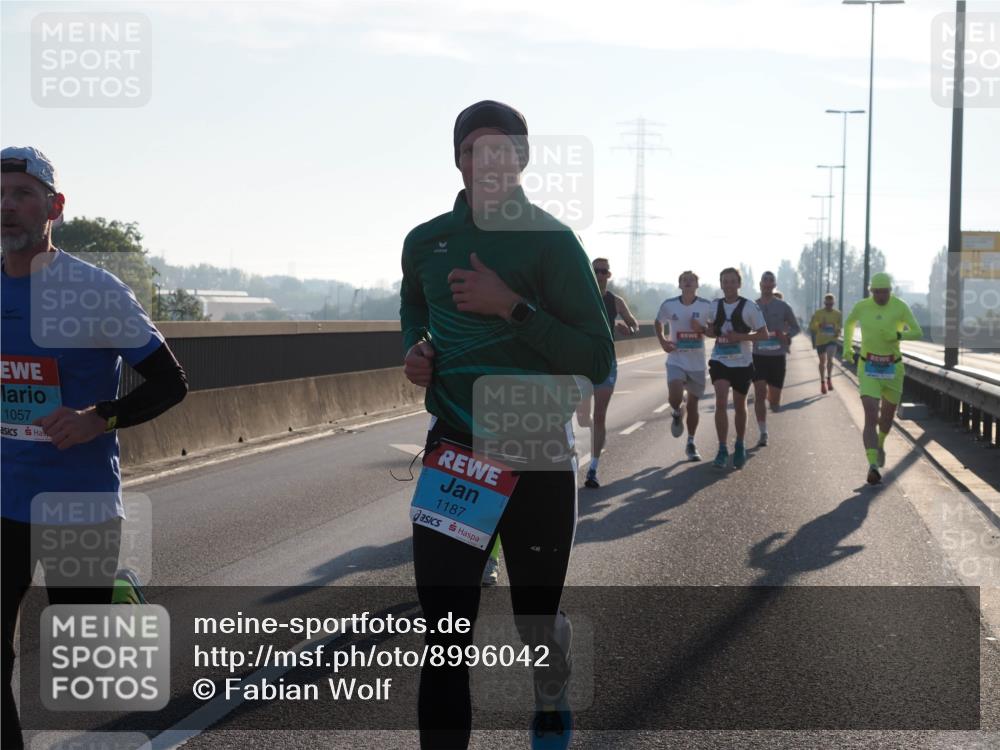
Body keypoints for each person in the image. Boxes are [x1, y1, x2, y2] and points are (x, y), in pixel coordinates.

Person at [400, 101, 614, 749]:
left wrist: (511, 306)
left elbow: (596, 358)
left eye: (503, 150)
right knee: (444, 640)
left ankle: (551, 686)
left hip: (537, 450)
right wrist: (417, 351)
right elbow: (415, 309)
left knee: (533, 618)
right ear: (459, 159)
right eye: (476, 150)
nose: (489, 162)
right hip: (457, 456)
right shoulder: (425, 242)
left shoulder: (551, 242)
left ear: (521, 159)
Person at [1, 146, 188, 749]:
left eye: (23, 193)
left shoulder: (94, 290)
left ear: (54, 206)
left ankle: (117, 594)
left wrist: (98, 417)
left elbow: (170, 382)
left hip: (77, 500)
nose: (7, 206)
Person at [841, 273, 923, 485]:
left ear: (890, 290)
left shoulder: (900, 306)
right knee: (870, 414)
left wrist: (897, 336)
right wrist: (848, 347)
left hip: (893, 368)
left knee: (886, 418)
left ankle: (881, 442)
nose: (880, 296)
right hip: (868, 367)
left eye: (884, 291)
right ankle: (872, 465)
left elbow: (918, 332)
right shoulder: (862, 306)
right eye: (876, 292)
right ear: (871, 291)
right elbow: (849, 323)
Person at [693, 267, 768, 469]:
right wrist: (706, 331)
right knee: (720, 399)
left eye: (732, 281)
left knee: (739, 404)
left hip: (742, 362)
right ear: (721, 284)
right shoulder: (714, 306)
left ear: (739, 284)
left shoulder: (749, 307)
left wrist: (740, 337)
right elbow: (710, 332)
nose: (728, 285)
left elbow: (763, 334)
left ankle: (740, 443)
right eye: (725, 281)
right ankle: (722, 448)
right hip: (720, 359)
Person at [575, 257, 639, 488]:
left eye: (604, 271)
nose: (600, 275)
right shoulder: (580, 296)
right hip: (582, 362)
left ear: (609, 275)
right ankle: (594, 429)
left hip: (606, 362)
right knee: (583, 419)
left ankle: (592, 469)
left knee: (600, 414)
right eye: (596, 271)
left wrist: (628, 328)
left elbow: (635, 325)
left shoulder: (616, 301)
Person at [654, 270, 712, 461]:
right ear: (679, 285)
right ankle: (677, 411)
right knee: (675, 396)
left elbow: (715, 329)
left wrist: (702, 329)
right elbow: (658, 322)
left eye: (691, 280)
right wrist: (663, 341)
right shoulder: (669, 305)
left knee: (694, 405)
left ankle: (691, 442)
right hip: (676, 359)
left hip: (696, 362)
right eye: (684, 280)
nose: (687, 282)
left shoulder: (706, 306)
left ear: (697, 285)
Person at [751, 271, 800, 445]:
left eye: (770, 281)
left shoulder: (783, 306)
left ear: (774, 285)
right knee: (759, 393)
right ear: (760, 284)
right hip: (758, 356)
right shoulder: (753, 306)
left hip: (777, 356)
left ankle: (771, 400)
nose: (767, 284)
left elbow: (796, 327)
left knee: (774, 403)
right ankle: (763, 432)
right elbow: (744, 326)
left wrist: (786, 336)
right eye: (764, 280)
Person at [810, 293, 842, 394]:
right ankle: (823, 382)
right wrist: (819, 325)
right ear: (824, 303)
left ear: (833, 303)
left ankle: (829, 379)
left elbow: (840, 327)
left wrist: (836, 328)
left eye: (831, 304)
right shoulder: (818, 313)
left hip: (832, 340)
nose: (829, 306)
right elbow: (812, 326)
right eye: (827, 304)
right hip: (820, 341)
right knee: (822, 362)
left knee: (830, 358)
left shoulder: (838, 314)